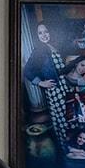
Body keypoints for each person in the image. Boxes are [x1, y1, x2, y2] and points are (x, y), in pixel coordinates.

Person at [23, 22, 72, 153]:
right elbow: (27, 70)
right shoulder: (39, 50)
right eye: (40, 33)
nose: (44, 35)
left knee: (69, 117)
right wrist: (41, 83)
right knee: (62, 120)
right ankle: (66, 150)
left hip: (65, 87)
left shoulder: (53, 46)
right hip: (56, 90)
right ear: (37, 36)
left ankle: (72, 145)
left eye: (46, 32)